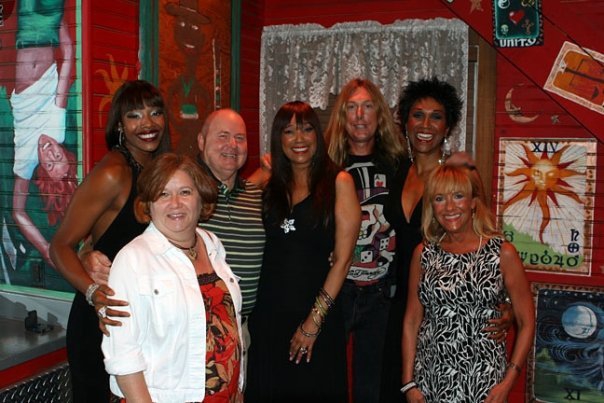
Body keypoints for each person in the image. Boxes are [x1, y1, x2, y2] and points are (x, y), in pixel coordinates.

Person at [380, 77, 511, 402]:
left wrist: (506, 305)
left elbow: (487, 237)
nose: (425, 125)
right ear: (405, 123)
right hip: (399, 303)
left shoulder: (461, 173)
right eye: (417, 115)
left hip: (445, 309)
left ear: (448, 126)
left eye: (436, 117)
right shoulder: (398, 170)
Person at [49, 80, 169, 402]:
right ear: (119, 125)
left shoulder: (158, 168)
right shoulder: (113, 172)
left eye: (155, 112)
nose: (147, 123)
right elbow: (60, 245)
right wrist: (93, 293)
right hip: (105, 320)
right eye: (134, 116)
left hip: (144, 317)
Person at [101, 153, 244, 402]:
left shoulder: (211, 243)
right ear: (149, 204)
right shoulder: (132, 259)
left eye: (185, 192)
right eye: (163, 194)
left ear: (201, 198)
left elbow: (231, 322)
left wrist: (238, 388)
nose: (175, 203)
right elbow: (123, 356)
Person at [246, 101, 360, 402]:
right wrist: (263, 170)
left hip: (315, 318)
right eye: (289, 131)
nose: (299, 139)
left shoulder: (339, 182)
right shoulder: (270, 185)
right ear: (278, 139)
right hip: (268, 319)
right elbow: (232, 198)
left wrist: (313, 323)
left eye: (307, 129)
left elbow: (343, 261)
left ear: (317, 135)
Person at [402, 165, 535, 402]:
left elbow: (527, 322)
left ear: (473, 202)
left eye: (458, 196)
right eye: (440, 198)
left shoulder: (502, 253)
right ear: (432, 207)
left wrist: (508, 382)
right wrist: (408, 383)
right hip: (430, 382)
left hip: (484, 384)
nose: (449, 207)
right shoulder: (423, 254)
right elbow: (412, 321)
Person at [325, 78, 405, 403]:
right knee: (326, 378)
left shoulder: (399, 165)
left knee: (371, 387)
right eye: (352, 107)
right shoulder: (326, 166)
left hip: (381, 292)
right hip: (337, 289)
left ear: (379, 114)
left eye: (367, 106)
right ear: (342, 116)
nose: (360, 115)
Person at [11, 0, 76, 267]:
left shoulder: (26, 160)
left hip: (26, 33)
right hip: (48, 31)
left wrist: (47, 250)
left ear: (42, 169)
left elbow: (18, 211)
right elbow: (68, 59)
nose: (50, 152)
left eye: (49, 163)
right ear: (63, 150)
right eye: (58, 156)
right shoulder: (56, 129)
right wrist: (58, 21)